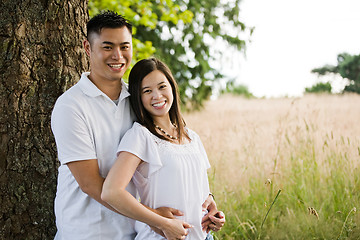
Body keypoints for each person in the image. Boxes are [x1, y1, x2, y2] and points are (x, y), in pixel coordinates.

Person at [51, 11, 223, 239]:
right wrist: (156, 218)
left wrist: (204, 198)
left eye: (124, 46)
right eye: (107, 47)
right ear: (87, 47)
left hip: (133, 230)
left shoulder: (138, 99)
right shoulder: (71, 106)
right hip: (88, 230)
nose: (117, 55)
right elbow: (91, 184)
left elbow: (174, 156)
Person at [101, 58, 225, 240]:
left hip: (204, 237)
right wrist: (161, 222)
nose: (157, 96)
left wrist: (212, 208)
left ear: (172, 87)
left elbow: (197, 189)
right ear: (138, 97)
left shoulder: (192, 137)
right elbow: (111, 192)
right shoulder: (140, 136)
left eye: (162, 87)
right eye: (147, 91)